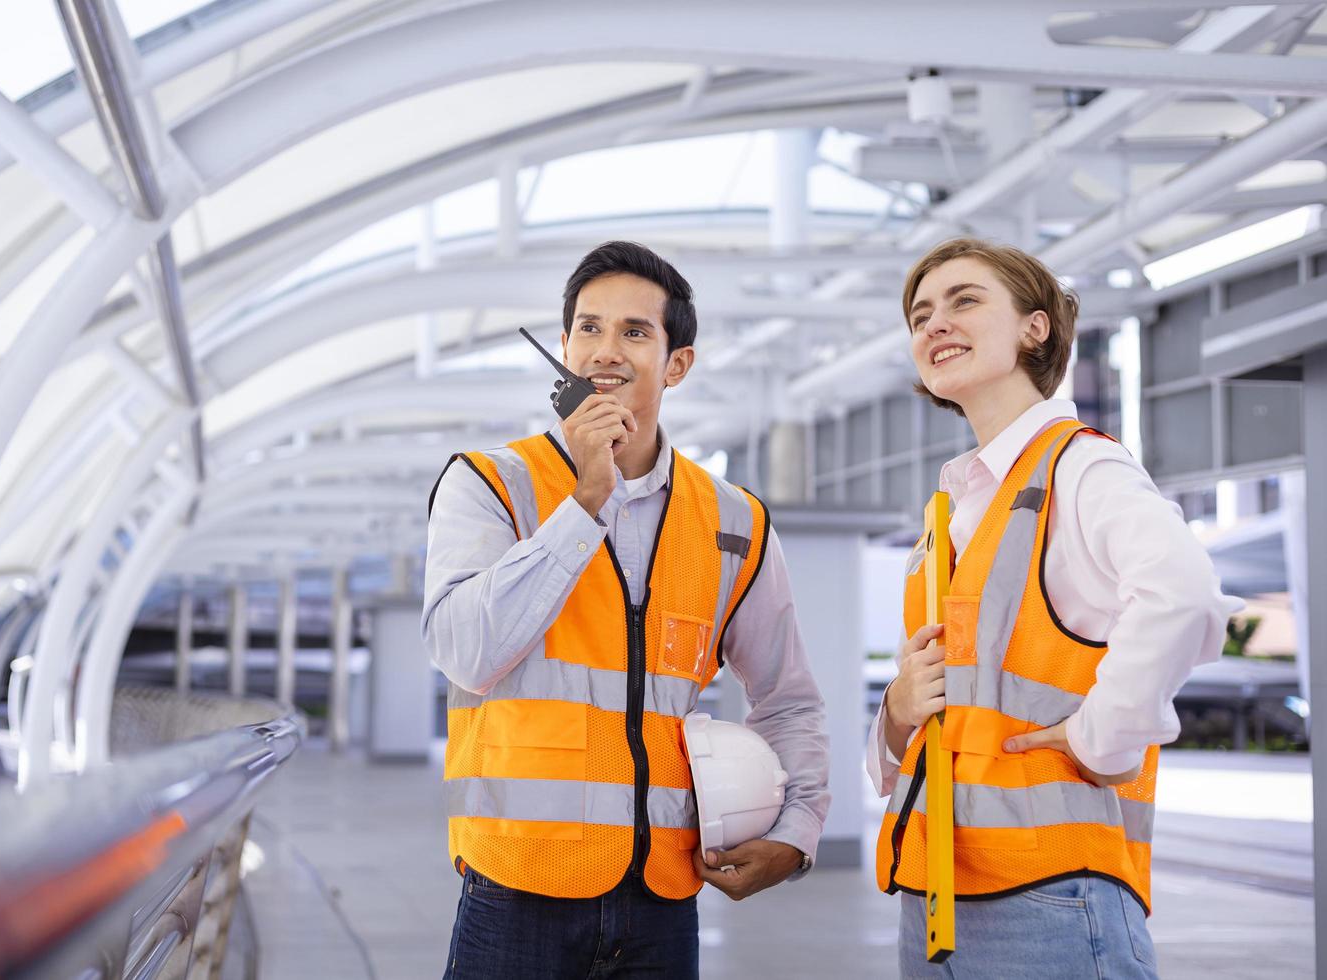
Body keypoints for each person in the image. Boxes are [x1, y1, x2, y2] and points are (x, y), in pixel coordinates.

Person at [423, 240, 830, 979]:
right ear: (564, 346)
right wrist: (586, 502)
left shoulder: (733, 521)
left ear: (678, 363)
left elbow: (788, 698)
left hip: (662, 900)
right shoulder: (490, 484)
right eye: (588, 328)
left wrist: (798, 831)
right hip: (516, 892)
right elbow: (465, 652)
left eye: (635, 332)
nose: (605, 350)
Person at [867, 238, 1240, 979]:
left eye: (964, 301)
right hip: (938, 888)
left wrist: (1102, 739)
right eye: (920, 315)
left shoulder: (1081, 466)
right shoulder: (957, 507)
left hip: (1050, 899)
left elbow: (1183, 594)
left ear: (1035, 328)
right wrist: (898, 713)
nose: (934, 324)